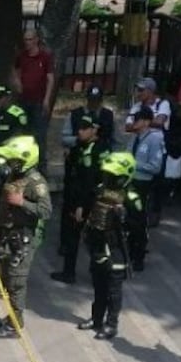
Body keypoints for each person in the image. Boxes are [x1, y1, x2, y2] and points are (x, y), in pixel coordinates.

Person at [0, 136, 53, 337]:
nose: (11, 164)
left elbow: (46, 211)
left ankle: (15, 325)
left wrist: (23, 203)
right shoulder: (13, 175)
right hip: (8, 233)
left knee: (16, 282)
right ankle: (10, 316)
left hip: (24, 238)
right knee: (6, 277)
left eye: (14, 161)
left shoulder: (36, 183)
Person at [77, 152, 145, 340]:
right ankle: (96, 318)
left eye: (114, 176)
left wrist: (124, 217)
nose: (109, 179)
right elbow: (89, 203)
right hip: (97, 243)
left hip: (117, 248)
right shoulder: (100, 189)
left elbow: (140, 228)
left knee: (113, 289)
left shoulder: (131, 198)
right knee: (98, 285)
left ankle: (111, 324)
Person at [52, 115, 105, 284]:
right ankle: (75, 271)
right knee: (74, 236)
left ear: (94, 130)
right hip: (76, 198)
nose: (80, 132)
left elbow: (89, 182)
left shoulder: (93, 152)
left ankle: (72, 273)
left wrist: (82, 205)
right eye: (79, 128)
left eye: (84, 128)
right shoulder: (82, 146)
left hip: (86, 201)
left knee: (79, 236)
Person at [13, 29, 55, 166]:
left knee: (40, 136)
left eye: (30, 39)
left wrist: (47, 99)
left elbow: (50, 78)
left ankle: (42, 166)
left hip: (38, 101)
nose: (27, 43)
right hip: (24, 100)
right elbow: (16, 71)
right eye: (25, 40)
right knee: (24, 134)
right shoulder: (22, 56)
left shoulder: (45, 56)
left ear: (36, 40)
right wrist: (18, 83)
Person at [128, 107, 165, 234]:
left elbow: (156, 167)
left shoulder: (154, 140)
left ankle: (139, 238)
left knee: (139, 213)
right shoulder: (134, 138)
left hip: (143, 182)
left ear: (146, 122)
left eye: (138, 120)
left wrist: (135, 165)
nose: (135, 122)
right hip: (130, 179)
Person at [62, 84, 116, 153]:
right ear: (87, 98)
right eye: (92, 99)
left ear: (101, 100)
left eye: (97, 100)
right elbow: (65, 138)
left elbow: (116, 141)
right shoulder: (74, 114)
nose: (94, 102)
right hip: (78, 155)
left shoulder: (108, 115)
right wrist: (78, 139)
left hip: (102, 155)